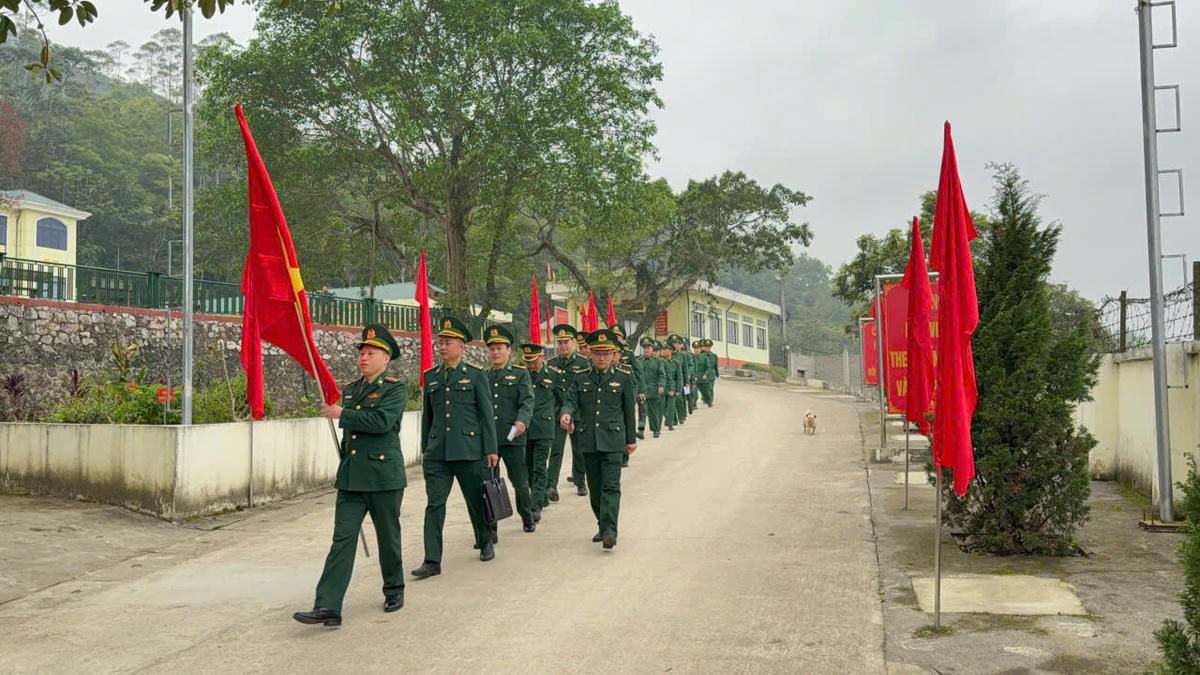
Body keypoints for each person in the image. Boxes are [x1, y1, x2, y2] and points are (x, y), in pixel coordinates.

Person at [294, 324, 407, 627]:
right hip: (352, 478)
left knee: (388, 538)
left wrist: (341, 414)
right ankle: (328, 605)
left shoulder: (395, 388)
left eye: (371, 353)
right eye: (362, 352)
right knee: (342, 540)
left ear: (386, 358)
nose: (364, 358)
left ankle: (394, 588)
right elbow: (350, 437)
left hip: (384, 476)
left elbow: (382, 421)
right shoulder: (352, 389)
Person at [411, 316, 500, 581]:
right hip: (438, 453)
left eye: (448, 342)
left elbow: (486, 415)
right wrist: (425, 448)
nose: (442, 346)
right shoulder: (432, 377)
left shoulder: (475, 375)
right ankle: (432, 560)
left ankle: (485, 540)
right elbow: (428, 417)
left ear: (461, 346)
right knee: (434, 505)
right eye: (441, 342)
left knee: (475, 500)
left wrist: (491, 449)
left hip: (469, 449)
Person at [559, 328, 637, 549]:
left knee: (611, 487)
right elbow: (570, 400)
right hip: (589, 441)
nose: (602, 358)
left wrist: (630, 440)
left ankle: (610, 530)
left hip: (613, 442)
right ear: (590, 354)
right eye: (597, 353)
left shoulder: (623, 378)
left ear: (613, 355)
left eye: (606, 353)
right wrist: (566, 413)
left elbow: (629, 411)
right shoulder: (581, 377)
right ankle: (602, 525)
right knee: (595, 487)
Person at [483, 325, 536, 534]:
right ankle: (492, 526)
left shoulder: (520, 374)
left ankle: (527, 514)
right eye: (492, 348)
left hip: (513, 436)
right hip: (489, 440)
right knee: (488, 483)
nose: (495, 352)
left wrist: (522, 421)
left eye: (499, 348)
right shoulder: (483, 376)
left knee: (520, 482)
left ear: (509, 351)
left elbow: (527, 401)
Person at [546, 324, 590, 503]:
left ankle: (580, 481)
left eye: (566, 342)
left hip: (578, 413)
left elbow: (584, 390)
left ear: (573, 342)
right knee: (555, 450)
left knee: (579, 450)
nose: (563, 346)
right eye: (560, 342)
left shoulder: (582, 363)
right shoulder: (551, 364)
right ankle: (551, 485)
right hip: (557, 415)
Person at [521, 343, 563, 520]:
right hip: (526, 429)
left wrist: (560, 417)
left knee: (539, 467)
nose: (531, 365)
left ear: (542, 358)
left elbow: (563, 399)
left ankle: (535, 506)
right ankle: (542, 497)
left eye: (534, 361)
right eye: (528, 362)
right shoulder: (522, 375)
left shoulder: (553, 375)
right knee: (528, 468)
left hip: (545, 428)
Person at [638, 338, 665, 438]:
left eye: (648, 348)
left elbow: (662, 375)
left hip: (654, 390)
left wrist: (661, 385)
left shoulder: (658, 362)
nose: (646, 350)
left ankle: (656, 430)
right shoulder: (639, 361)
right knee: (642, 412)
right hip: (642, 391)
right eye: (644, 348)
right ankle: (641, 431)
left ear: (652, 349)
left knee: (653, 412)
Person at [660, 341, 681, 431]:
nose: (665, 351)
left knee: (671, 407)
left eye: (667, 349)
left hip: (673, 387)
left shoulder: (676, 363)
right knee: (664, 407)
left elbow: (679, 377)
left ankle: (670, 423)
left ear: (671, 351)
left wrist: (678, 389)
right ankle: (671, 419)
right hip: (663, 387)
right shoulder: (660, 362)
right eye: (663, 349)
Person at [697, 339, 718, 407]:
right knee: (704, 388)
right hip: (703, 374)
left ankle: (710, 401)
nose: (707, 348)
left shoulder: (714, 356)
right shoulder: (701, 355)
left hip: (711, 375)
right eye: (706, 346)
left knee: (710, 388)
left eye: (709, 346)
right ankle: (704, 398)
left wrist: (717, 374)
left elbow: (715, 366)